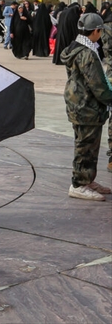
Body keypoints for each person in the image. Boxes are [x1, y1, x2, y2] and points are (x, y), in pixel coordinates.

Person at [60, 13, 112, 201]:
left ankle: (87, 179)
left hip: (78, 102)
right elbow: (98, 85)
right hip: (86, 106)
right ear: (95, 31)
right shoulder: (87, 54)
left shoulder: (75, 48)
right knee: (85, 146)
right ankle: (79, 184)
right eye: (101, 31)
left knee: (88, 144)